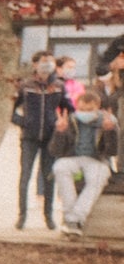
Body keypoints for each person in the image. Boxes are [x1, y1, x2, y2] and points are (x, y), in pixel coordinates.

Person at [14, 49, 70, 230]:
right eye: (44, 61)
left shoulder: (59, 85)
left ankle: (48, 216)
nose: (48, 65)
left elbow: (69, 108)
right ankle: (22, 215)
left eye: (50, 62)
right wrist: (23, 122)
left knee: (48, 177)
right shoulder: (25, 85)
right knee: (25, 176)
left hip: (50, 137)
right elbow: (10, 109)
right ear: (35, 65)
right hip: (29, 137)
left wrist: (63, 122)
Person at [50, 91, 119, 238]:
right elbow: (55, 150)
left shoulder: (108, 121)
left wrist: (109, 131)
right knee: (59, 167)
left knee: (97, 178)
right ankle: (72, 220)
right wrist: (59, 132)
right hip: (74, 157)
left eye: (89, 110)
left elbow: (112, 151)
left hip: (97, 160)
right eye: (81, 110)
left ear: (98, 109)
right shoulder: (70, 120)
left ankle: (74, 219)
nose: (84, 113)